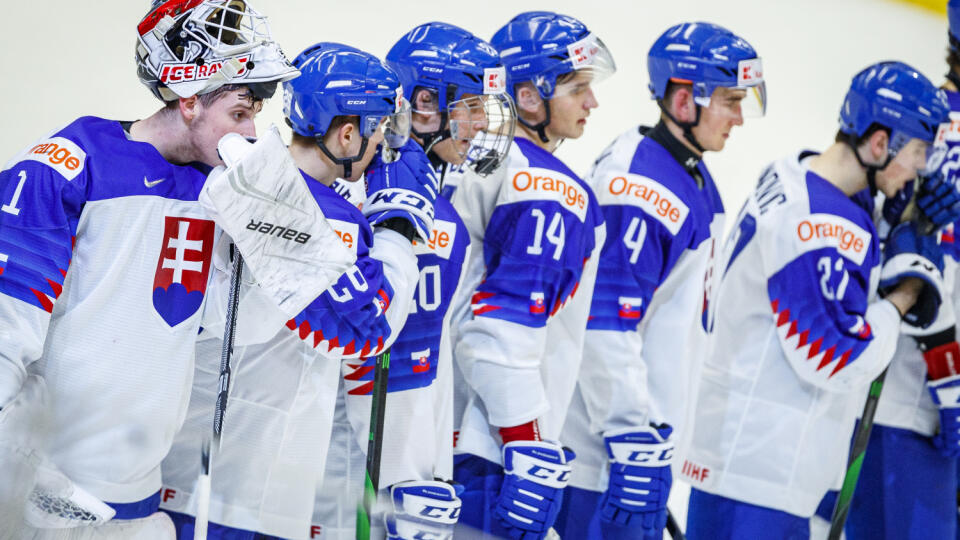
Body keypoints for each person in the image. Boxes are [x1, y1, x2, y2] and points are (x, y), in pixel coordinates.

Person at [0, 0, 300, 537]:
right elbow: (4, 333)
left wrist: (271, 237)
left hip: (141, 503)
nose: (252, 132)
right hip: (40, 499)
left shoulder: (220, 194)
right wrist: (15, 465)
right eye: (239, 112)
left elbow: (240, 332)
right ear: (188, 100)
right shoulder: (71, 164)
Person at [158, 42, 431, 539]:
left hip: (186, 461)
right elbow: (368, 329)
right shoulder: (328, 216)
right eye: (378, 133)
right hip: (248, 479)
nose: (381, 149)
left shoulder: (234, 180)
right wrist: (396, 228)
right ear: (347, 134)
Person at [681, 60, 950, 539]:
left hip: (747, 460)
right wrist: (904, 296)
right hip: (757, 474)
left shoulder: (795, 173)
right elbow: (837, 357)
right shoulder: (820, 226)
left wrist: (897, 222)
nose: (921, 170)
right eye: (917, 153)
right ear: (880, 144)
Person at [554, 22, 766, 540]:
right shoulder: (643, 188)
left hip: (638, 452)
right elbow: (606, 326)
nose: (739, 117)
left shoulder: (685, 169)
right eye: (730, 100)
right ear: (683, 98)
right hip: (606, 459)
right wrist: (631, 437)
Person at [311, 22, 515, 539]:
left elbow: (428, 352)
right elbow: (369, 357)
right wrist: (401, 481)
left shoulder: (436, 197)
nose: (480, 124)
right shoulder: (375, 199)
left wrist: (433, 468)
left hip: (408, 479)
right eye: (469, 106)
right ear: (425, 103)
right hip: (357, 484)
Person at [448, 11, 612, 539]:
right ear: (529, 96)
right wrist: (529, 445)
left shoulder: (464, 158)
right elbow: (500, 328)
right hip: (492, 450)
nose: (593, 103)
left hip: (437, 437)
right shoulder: (546, 184)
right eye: (577, 87)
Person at [833, 3, 960, 538]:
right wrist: (952, 391)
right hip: (912, 415)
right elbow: (923, 274)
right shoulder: (936, 136)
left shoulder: (918, 119)